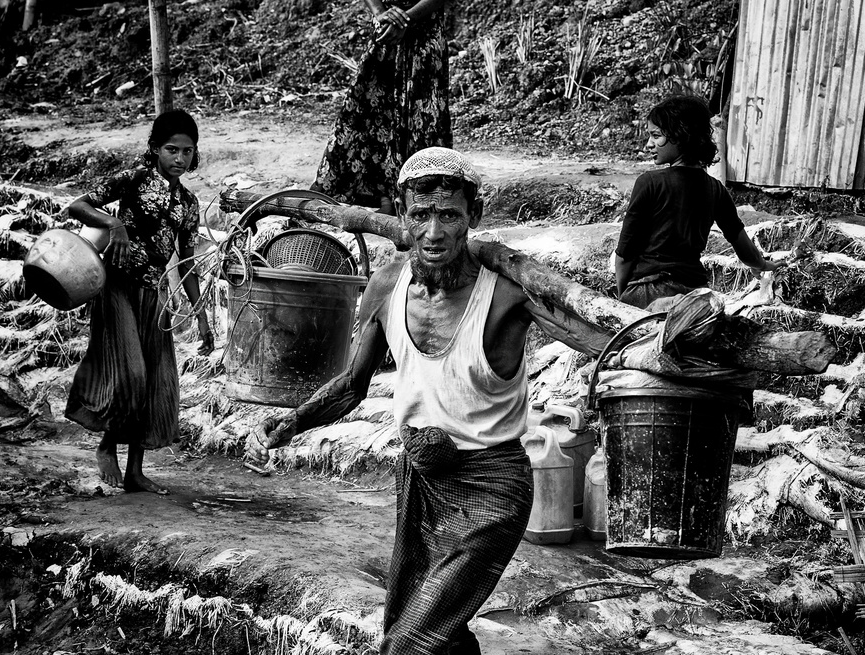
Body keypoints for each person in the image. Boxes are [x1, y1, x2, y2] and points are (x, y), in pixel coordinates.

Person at [248, 147, 600, 654]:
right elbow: (352, 384)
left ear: (472, 218)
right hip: (420, 482)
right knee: (436, 632)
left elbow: (598, 342)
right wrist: (286, 426)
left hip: (492, 489)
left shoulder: (505, 296)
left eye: (449, 216)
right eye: (420, 215)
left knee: (409, 644)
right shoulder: (388, 283)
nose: (434, 232)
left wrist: (663, 344)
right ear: (402, 213)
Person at [65, 109, 214, 495]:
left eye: (187, 151)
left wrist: (201, 318)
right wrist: (113, 224)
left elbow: (186, 260)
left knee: (153, 382)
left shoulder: (188, 202)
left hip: (155, 295)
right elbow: (78, 205)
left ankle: (135, 471)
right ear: (154, 149)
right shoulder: (133, 179)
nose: (179, 158)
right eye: (171, 149)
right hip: (117, 287)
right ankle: (105, 445)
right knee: (131, 371)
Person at [614, 94, 782, 311]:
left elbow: (625, 254)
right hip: (695, 292)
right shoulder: (715, 189)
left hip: (649, 290)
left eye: (656, 136)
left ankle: (663, 307)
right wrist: (761, 264)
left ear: (681, 134)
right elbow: (740, 242)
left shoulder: (649, 182)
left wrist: (622, 297)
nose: (649, 145)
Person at [310, 0, 453, 214]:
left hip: (424, 30)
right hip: (386, 30)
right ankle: (386, 197)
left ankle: (416, 201)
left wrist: (406, 19)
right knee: (371, 110)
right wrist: (380, 13)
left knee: (420, 116)